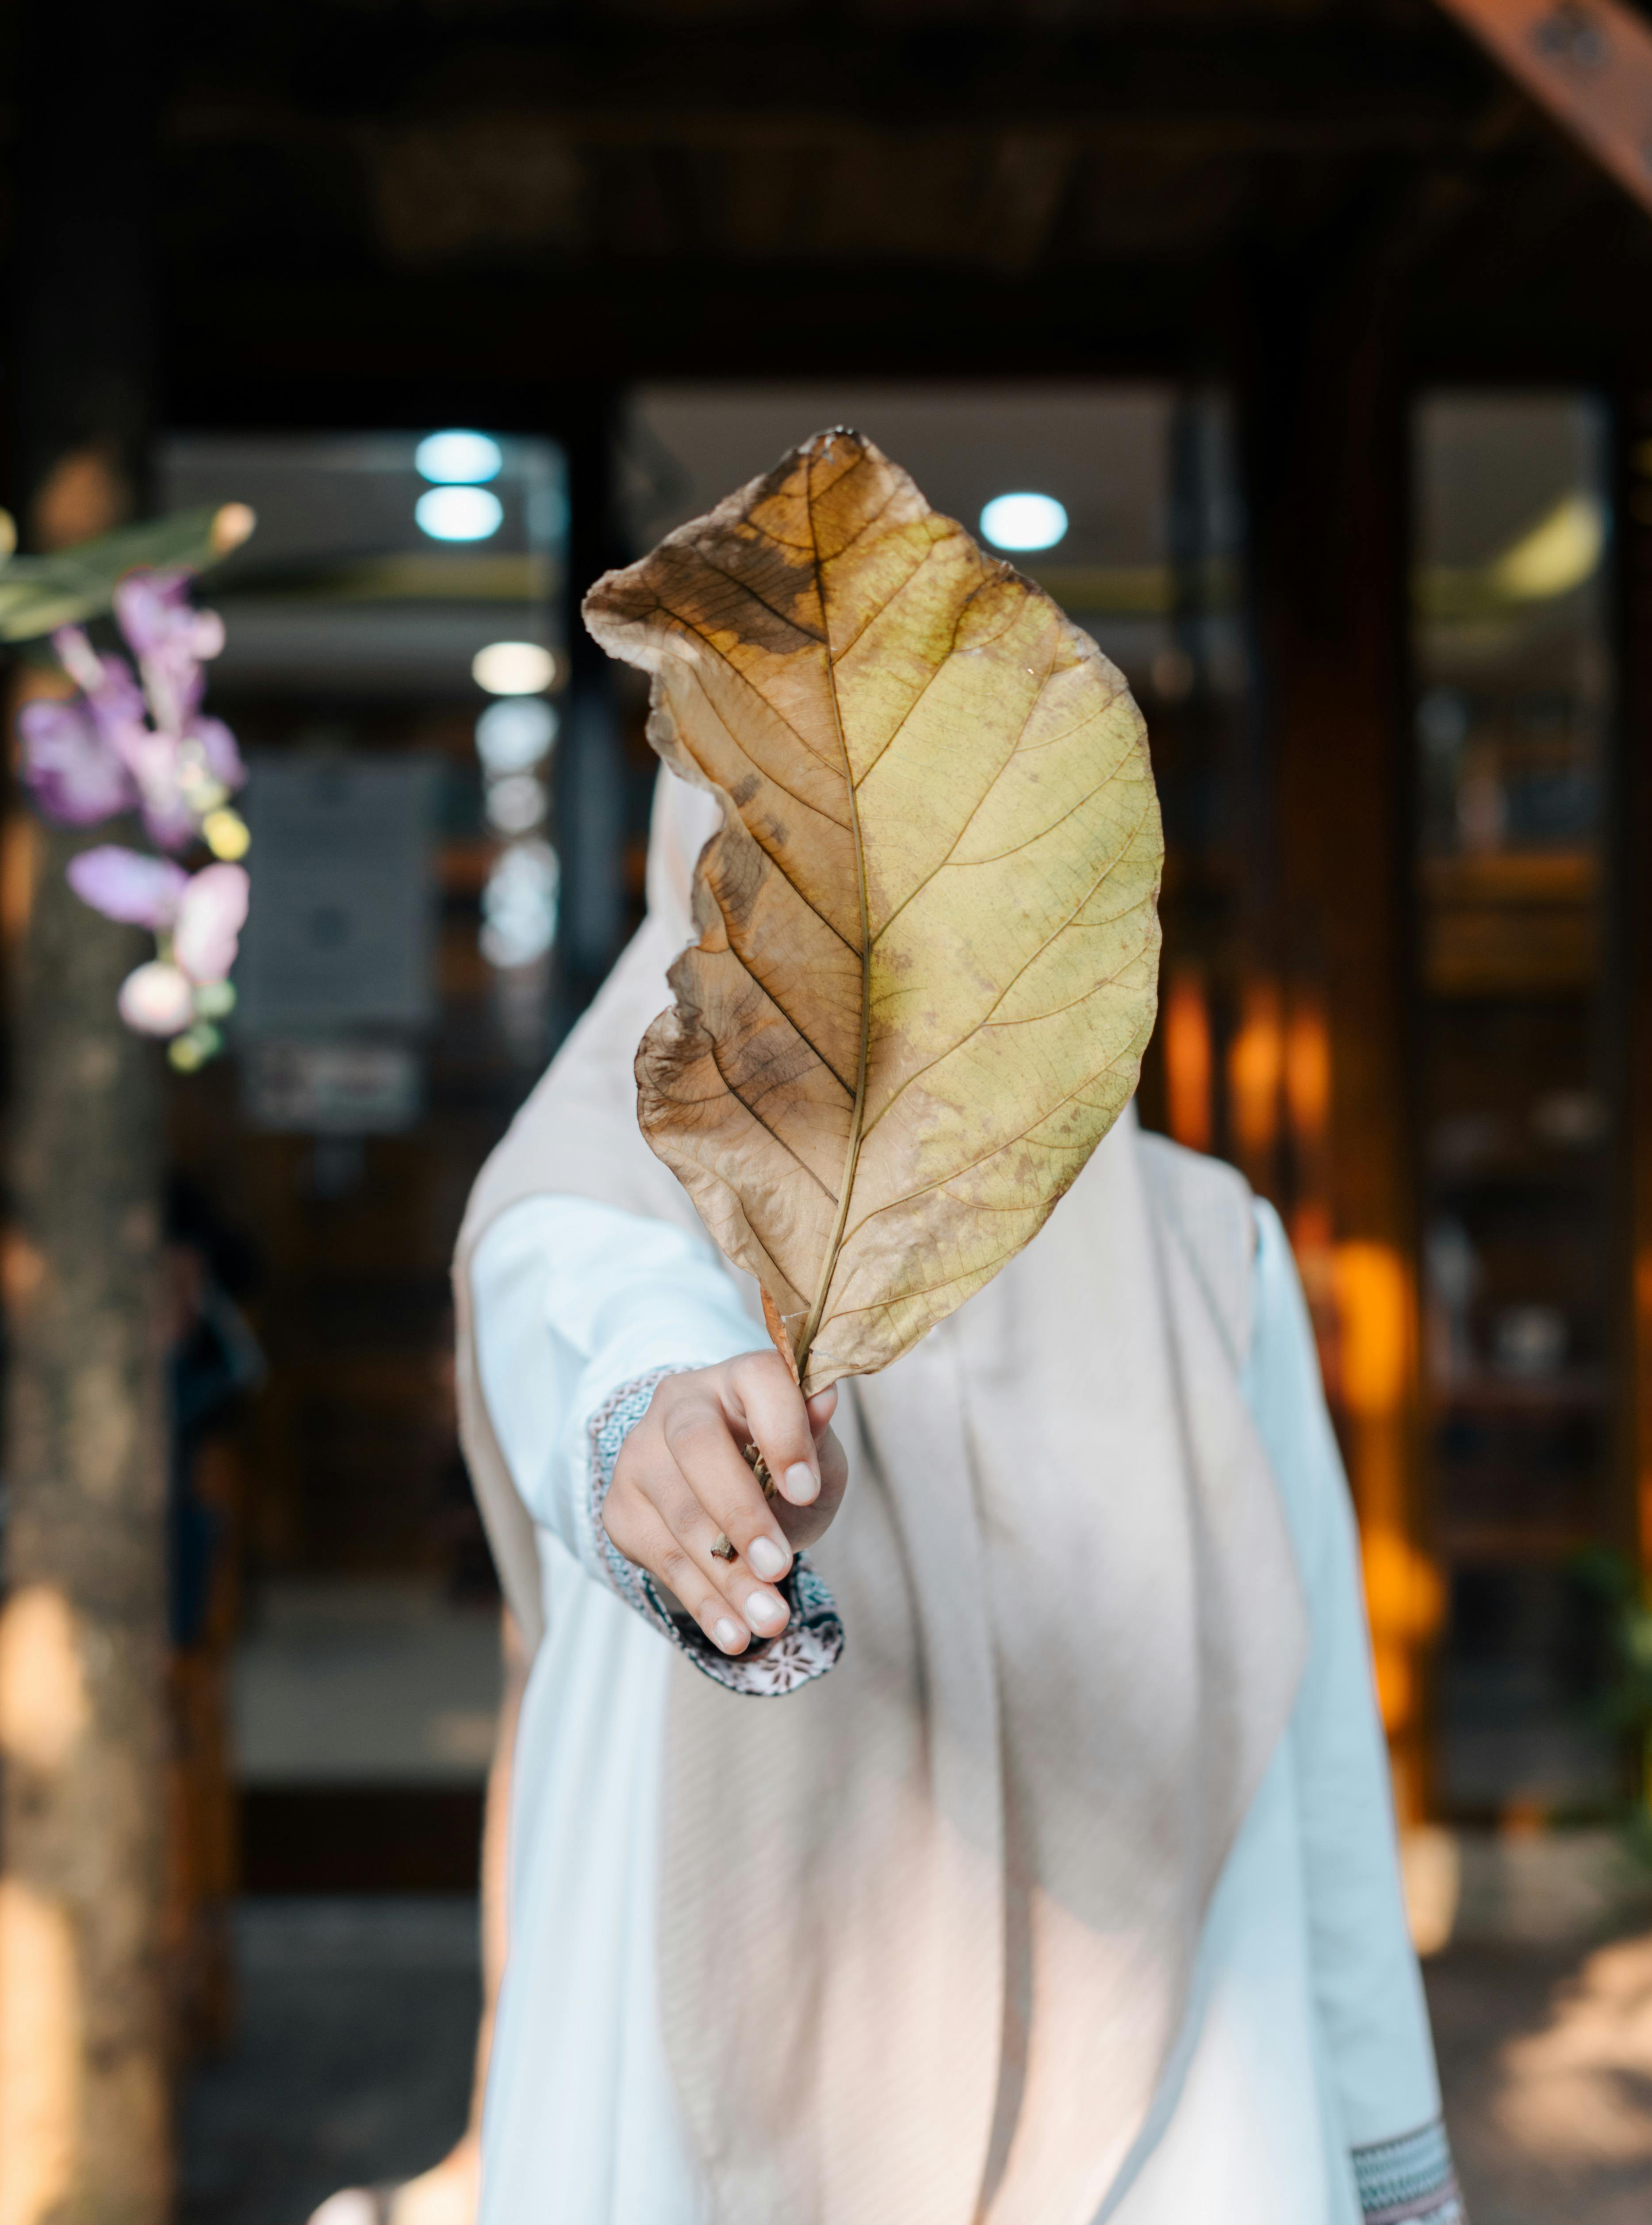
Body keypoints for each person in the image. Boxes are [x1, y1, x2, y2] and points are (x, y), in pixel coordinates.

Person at [446, 766, 1465, 2225]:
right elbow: (601, 1322)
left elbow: (1314, 1760)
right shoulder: (607, 1201)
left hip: (1185, 2094)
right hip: (702, 2087)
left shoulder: (1200, 1249)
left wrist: (1388, 2159)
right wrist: (667, 1421)